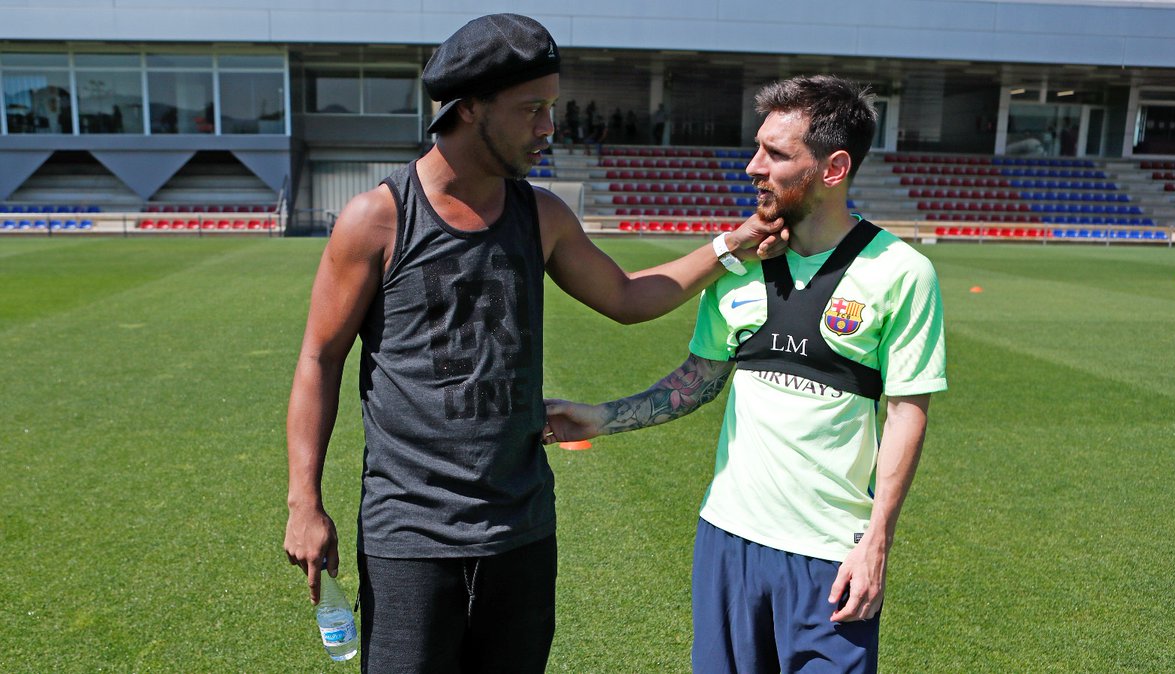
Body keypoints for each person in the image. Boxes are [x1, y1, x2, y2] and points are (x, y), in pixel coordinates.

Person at [281, 13, 786, 673]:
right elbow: (319, 360)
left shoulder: (541, 214)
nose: (549, 127)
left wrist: (730, 246)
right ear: (468, 110)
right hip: (410, 534)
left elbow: (629, 297)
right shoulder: (378, 219)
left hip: (520, 530)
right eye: (533, 110)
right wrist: (304, 502)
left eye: (552, 107)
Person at [546, 75, 947, 673]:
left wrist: (876, 541)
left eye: (777, 154)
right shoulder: (737, 269)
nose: (754, 166)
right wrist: (601, 418)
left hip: (830, 555)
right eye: (757, 147)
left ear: (833, 167)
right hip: (727, 539)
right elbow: (699, 380)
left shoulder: (902, 273)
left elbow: (906, 411)